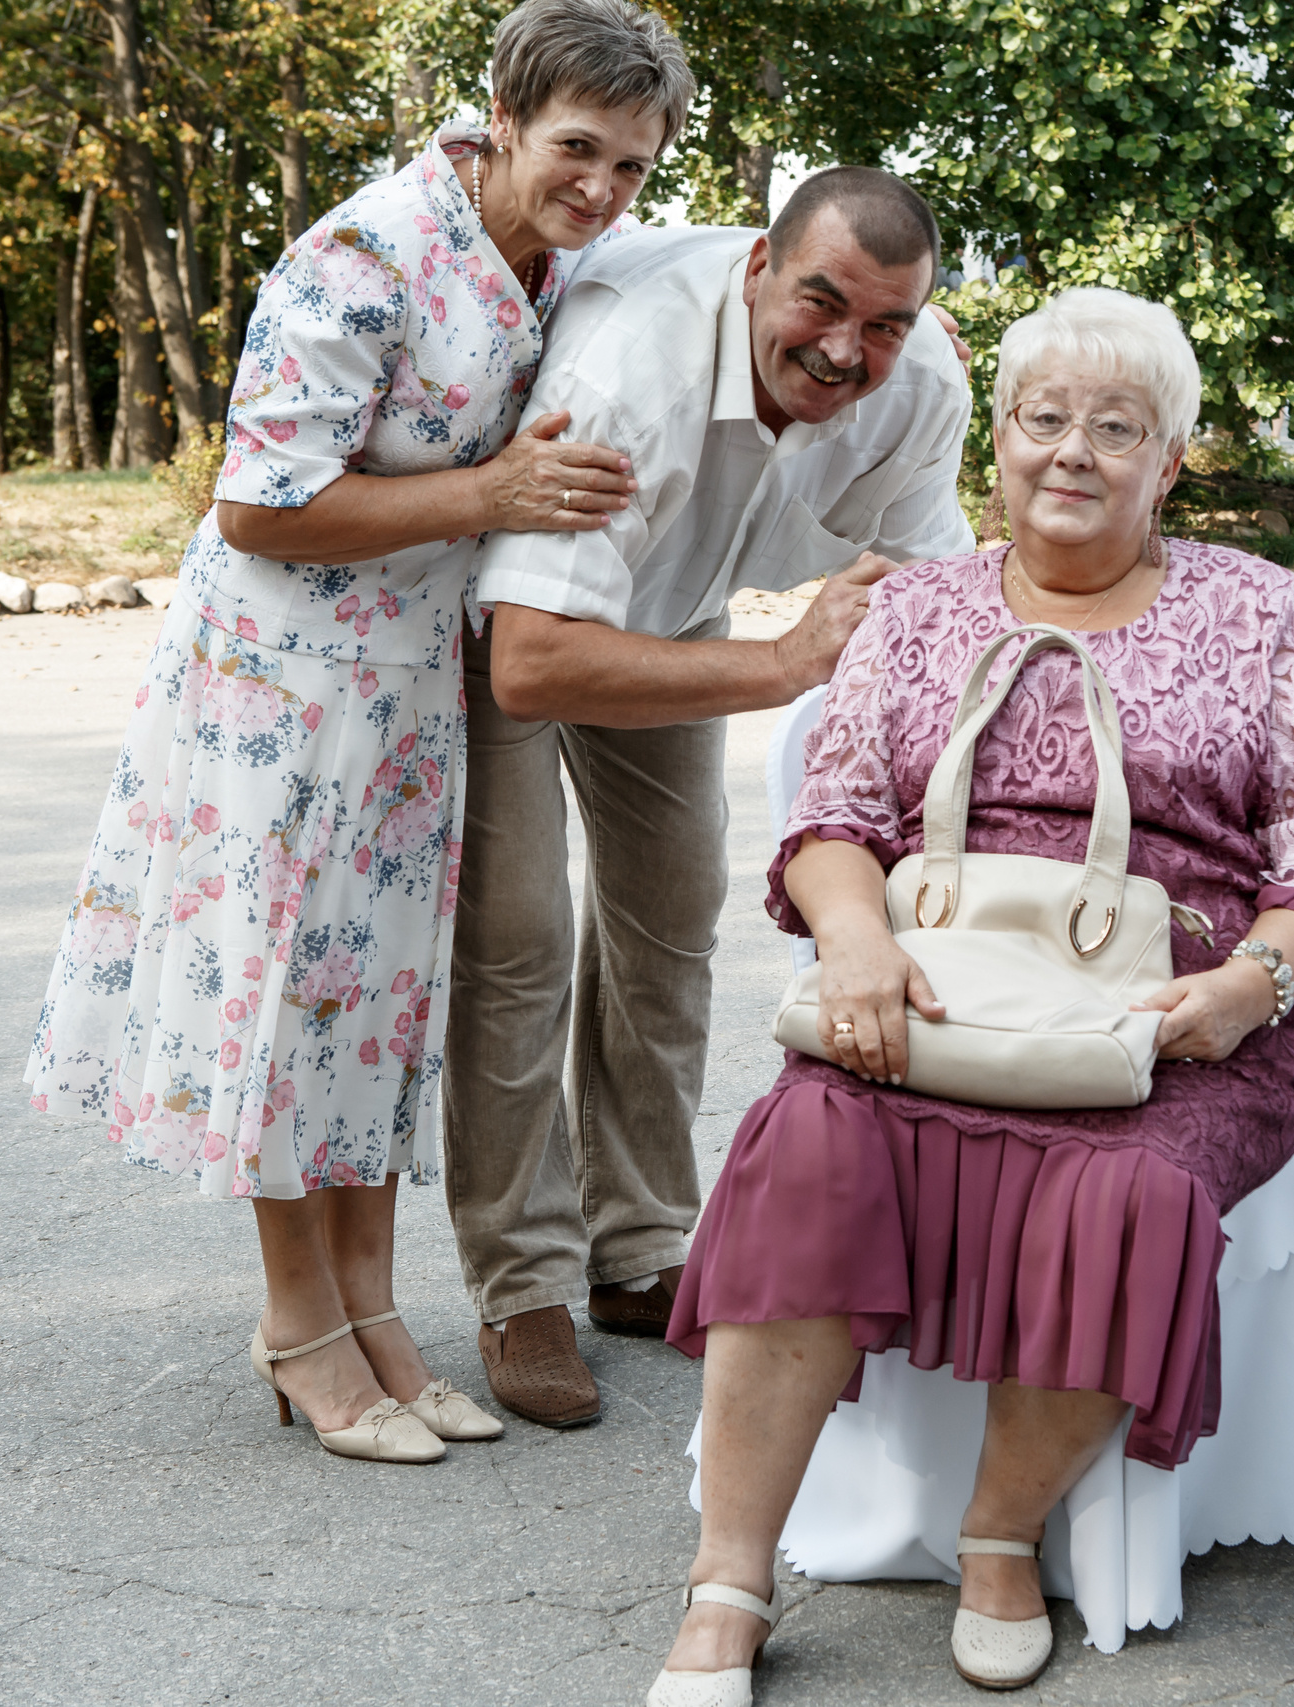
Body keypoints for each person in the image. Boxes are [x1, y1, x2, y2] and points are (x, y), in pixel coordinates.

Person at [644, 287, 1294, 1704]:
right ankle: (729, 1575)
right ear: (998, 442)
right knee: (807, 1140)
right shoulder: (919, 606)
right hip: (934, 970)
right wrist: (854, 945)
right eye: (1045, 418)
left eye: (1118, 427)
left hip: (1172, 1011)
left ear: (1172, 460)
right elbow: (835, 815)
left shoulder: (1255, 607)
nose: (1074, 450)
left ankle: (1001, 1536)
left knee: (1129, 1188)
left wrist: (1250, 982)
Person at [23, 0, 690, 1462]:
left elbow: (704, 279)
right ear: (505, 116)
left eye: (632, 166)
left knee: (373, 1014)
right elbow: (257, 502)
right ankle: (297, 1325)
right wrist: (490, 496)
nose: (601, 187)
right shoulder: (363, 254)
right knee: (286, 1001)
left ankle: (379, 1314)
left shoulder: (561, 256)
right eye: (578, 149)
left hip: (410, 691)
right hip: (283, 689)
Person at [449, 167, 976, 1430]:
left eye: (886, 323)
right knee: (520, 933)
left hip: (676, 614)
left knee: (672, 909)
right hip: (510, 619)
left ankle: (638, 1243)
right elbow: (529, 665)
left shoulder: (924, 387)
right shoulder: (632, 372)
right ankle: (521, 1282)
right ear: (756, 269)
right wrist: (790, 661)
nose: (847, 351)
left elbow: (918, 605)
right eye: (819, 303)